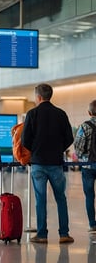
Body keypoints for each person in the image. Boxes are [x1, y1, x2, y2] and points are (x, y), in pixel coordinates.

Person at [22, 83, 74, 244]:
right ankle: (64, 234)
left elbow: (25, 139)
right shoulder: (61, 114)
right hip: (56, 163)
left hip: (38, 163)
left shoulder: (32, 114)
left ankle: (42, 234)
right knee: (61, 198)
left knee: (40, 199)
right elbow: (69, 138)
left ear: (38, 97)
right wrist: (58, 149)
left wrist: (35, 150)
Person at [74, 100, 96, 232]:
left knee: (89, 195)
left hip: (88, 166)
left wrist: (82, 157)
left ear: (89, 112)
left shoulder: (84, 126)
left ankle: (93, 224)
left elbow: (78, 147)